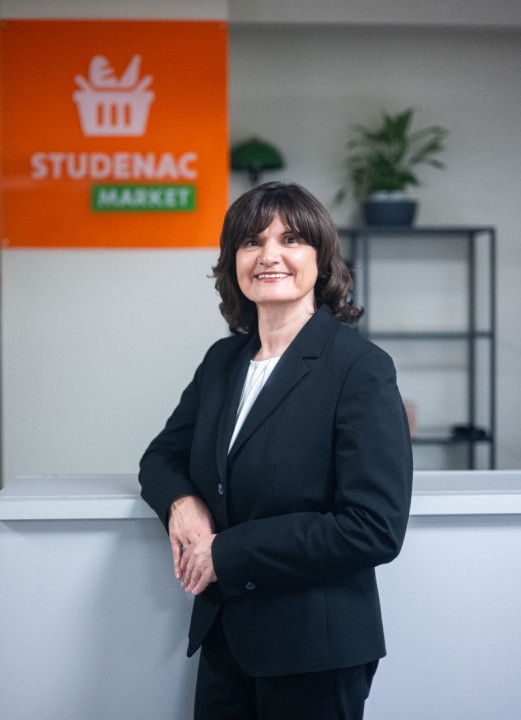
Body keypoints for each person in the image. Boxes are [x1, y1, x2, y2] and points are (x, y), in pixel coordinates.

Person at [139, 181, 413, 720]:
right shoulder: (222, 362)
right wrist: (180, 503)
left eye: (290, 240)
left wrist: (226, 552)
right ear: (233, 262)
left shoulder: (359, 368)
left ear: (320, 258)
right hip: (225, 643)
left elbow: (373, 527)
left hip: (314, 649)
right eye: (251, 242)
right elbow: (160, 458)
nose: (268, 255)